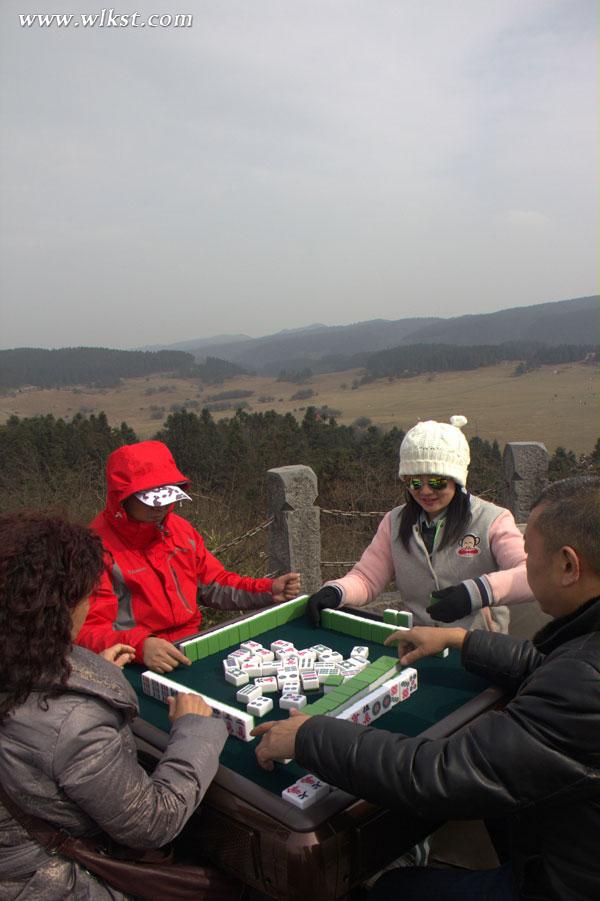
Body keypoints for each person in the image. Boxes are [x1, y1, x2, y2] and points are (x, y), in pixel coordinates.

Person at [253, 476, 600, 900]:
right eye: (414, 481)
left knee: (393, 889)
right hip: (570, 838)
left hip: (569, 884)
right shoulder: (583, 657)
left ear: (568, 566)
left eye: (531, 555)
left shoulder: (583, 681)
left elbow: (441, 772)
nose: (425, 490)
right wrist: (462, 641)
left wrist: (308, 735)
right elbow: (547, 666)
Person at [0, 513, 234, 900]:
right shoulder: (74, 721)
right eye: (86, 596)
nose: (91, 604)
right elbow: (152, 822)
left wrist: (89, 671)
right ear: (58, 610)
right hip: (52, 882)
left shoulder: (18, 664)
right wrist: (195, 731)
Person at [76, 440, 300, 673]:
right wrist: (141, 646)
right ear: (122, 497)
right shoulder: (92, 549)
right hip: (130, 662)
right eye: (150, 498)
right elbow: (86, 629)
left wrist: (268, 590)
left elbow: (213, 583)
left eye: (167, 495)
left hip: (192, 647)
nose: (160, 507)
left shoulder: (180, 531)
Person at [308, 415, 532, 632]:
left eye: (436, 481)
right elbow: (367, 579)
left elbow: (530, 574)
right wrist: (337, 591)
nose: (425, 491)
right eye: (415, 482)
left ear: (457, 480)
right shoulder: (394, 522)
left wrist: (476, 593)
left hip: (477, 645)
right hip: (418, 642)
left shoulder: (493, 520)